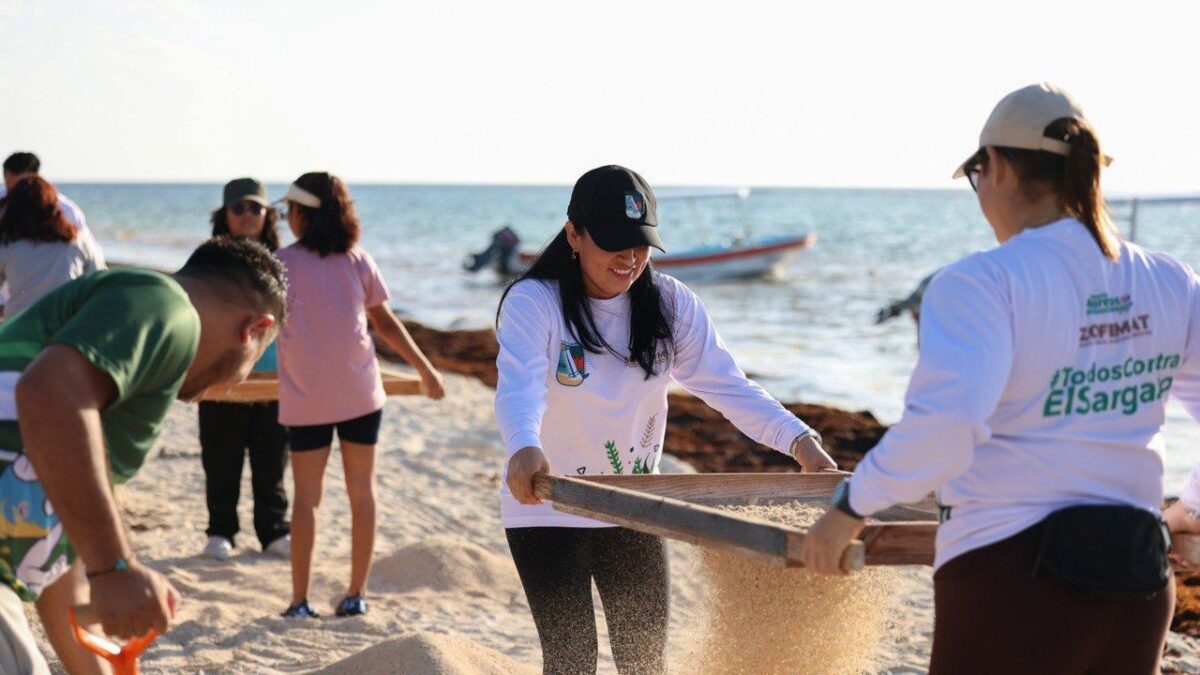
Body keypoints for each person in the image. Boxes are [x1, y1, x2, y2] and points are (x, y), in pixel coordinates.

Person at [801, 83, 1193, 674]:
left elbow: (949, 425)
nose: (979, 191)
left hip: (1013, 580)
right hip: (1136, 581)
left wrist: (851, 507)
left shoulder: (981, 282)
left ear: (1000, 167)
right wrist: (1188, 512)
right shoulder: (1170, 281)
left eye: (976, 174)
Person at [497, 165, 837, 674]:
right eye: (613, 242)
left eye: (640, 243)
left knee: (644, 661)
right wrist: (524, 444)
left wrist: (800, 441)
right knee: (571, 661)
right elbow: (519, 384)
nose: (630, 258)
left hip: (634, 503)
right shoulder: (535, 301)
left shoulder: (671, 303)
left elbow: (728, 386)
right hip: (547, 502)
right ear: (573, 234)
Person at [0, 236, 286, 674]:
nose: (231, 384)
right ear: (253, 329)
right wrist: (115, 567)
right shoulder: (167, 305)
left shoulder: (92, 420)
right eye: (256, 360)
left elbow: (63, 587)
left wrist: (106, 571)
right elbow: (48, 391)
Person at [274, 172, 445, 619]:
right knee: (360, 492)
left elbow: (260, 327)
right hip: (358, 395)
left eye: (288, 209)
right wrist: (426, 370)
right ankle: (355, 595)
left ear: (302, 214)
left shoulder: (281, 263)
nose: (286, 217)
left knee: (306, 500)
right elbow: (386, 325)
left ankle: (299, 602)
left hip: (309, 399)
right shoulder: (356, 260)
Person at [198, 178, 291, 561]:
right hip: (220, 373)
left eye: (256, 208)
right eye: (239, 208)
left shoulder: (285, 260)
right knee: (221, 456)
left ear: (268, 215)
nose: (248, 215)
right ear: (225, 214)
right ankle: (221, 530)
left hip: (274, 376)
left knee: (272, 457)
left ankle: (273, 531)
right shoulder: (208, 258)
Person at [0, 176, 106, 318]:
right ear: (54, 206)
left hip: (19, 324)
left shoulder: (7, 245)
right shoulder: (78, 240)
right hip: (65, 324)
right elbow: (99, 279)